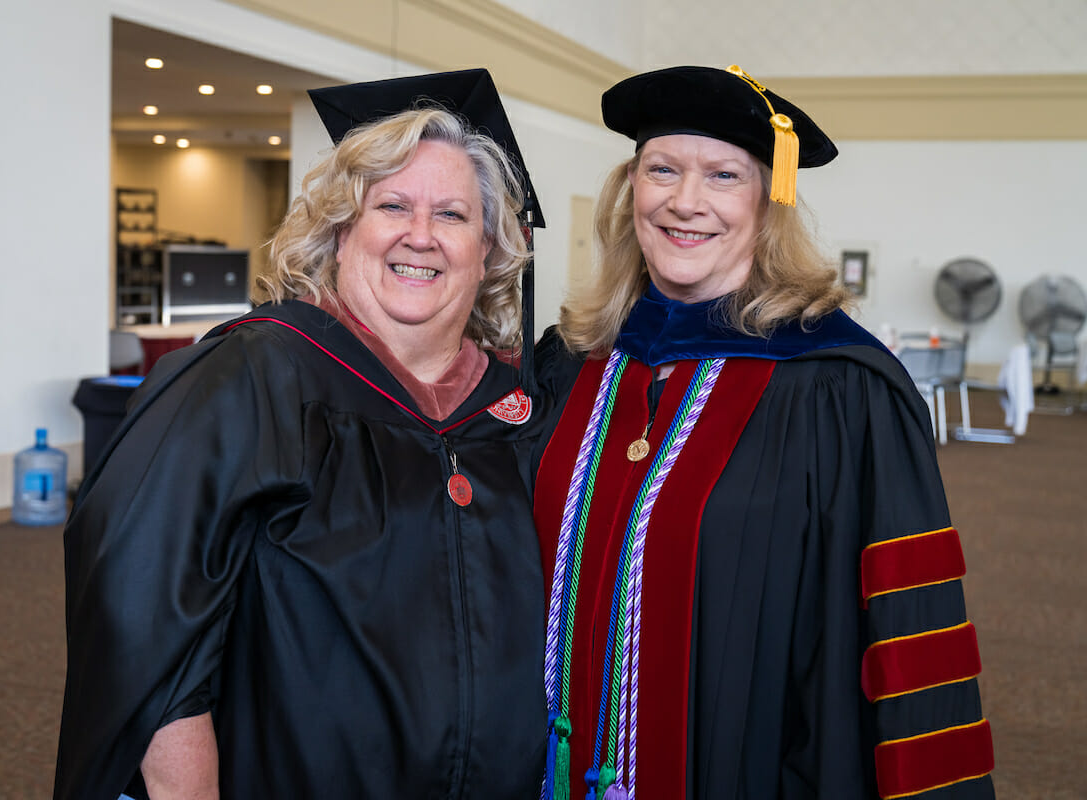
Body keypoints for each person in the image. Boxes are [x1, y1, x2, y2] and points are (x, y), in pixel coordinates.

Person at [54, 70, 548, 799]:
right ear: (342, 233)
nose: (420, 235)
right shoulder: (251, 378)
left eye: (452, 214)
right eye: (392, 206)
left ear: (489, 251)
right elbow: (139, 618)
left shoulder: (525, 412)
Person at [535, 65, 994, 799]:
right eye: (662, 170)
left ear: (767, 203)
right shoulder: (571, 364)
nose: (686, 201)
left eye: (723, 176)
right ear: (631, 190)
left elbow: (904, 629)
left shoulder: (838, 390)